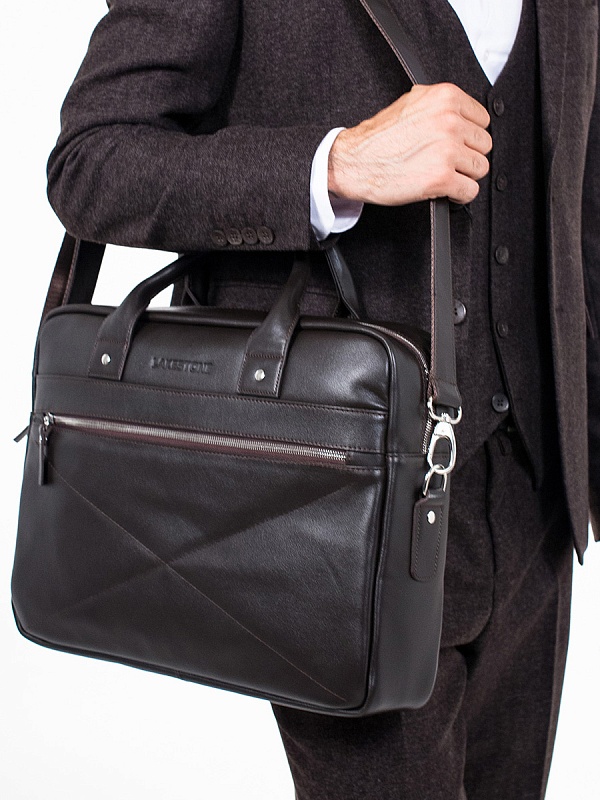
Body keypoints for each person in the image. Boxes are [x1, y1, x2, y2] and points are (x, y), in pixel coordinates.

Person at [45, 0, 600, 797]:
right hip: (334, 508)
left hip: (538, 505)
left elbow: (581, 202)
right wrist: (336, 163)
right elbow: (92, 162)